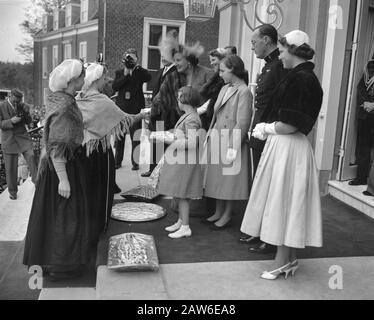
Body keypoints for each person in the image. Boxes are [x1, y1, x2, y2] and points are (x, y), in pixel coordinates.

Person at [241, 30, 324, 280]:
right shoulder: (300, 76)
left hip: (289, 146)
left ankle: (281, 262)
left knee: (283, 203)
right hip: (287, 147)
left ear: (294, 52)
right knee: (285, 202)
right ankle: (288, 259)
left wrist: (265, 128)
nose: (281, 56)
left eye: (284, 51)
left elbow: (291, 124)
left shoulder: (301, 79)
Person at [23, 59, 89, 280]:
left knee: (55, 216)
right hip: (62, 168)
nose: (83, 79)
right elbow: (58, 145)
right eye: (81, 77)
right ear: (72, 81)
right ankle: (60, 264)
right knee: (63, 217)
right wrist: (64, 179)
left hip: (59, 167)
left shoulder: (61, 99)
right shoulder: (65, 106)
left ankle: (55, 261)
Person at [76, 63, 146, 252]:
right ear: (97, 80)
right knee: (103, 189)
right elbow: (126, 119)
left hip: (82, 152)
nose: (107, 81)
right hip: (100, 152)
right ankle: (100, 227)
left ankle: (86, 228)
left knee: (86, 191)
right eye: (105, 78)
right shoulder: (103, 101)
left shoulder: (77, 99)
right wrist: (142, 114)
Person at [240, 24, 288, 254]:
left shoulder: (279, 66)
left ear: (267, 40)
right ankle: (258, 230)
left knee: (268, 186)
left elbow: (277, 104)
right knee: (259, 184)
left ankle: (269, 238)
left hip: (268, 135)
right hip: (259, 132)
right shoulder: (270, 65)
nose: (252, 47)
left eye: (254, 42)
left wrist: (266, 130)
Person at [203, 55, 252, 229]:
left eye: (223, 70)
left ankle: (227, 214)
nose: (220, 74)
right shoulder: (225, 88)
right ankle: (218, 211)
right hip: (218, 137)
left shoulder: (244, 91)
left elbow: (243, 122)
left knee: (229, 180)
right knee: (217, 179)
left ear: (233, 70)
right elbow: (215, 116)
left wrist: (234, 146)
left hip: (231, 140)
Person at [155, 86, 203, 239]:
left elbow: (191, 142)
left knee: (182, 194)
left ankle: (185, 227)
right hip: (181, 160)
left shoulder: (192, 118)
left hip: (185, 162)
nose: (177, 100)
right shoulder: (188, 115)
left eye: (179, 97)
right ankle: (181, 221)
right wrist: (167, 134)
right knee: (178, 192)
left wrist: (168, 139)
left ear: (186, 100)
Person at [142, 35, 179, 178]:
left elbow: (173, 96)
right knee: (155, 142)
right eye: (162, 56)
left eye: (166, 56)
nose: (162, 58)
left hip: (168, 114)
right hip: (156, 113)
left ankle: (162, 172)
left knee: (165, 143)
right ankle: (152, 169)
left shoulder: (175, 73)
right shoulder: (159, 71)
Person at [112, 48, 151, 170]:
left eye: (132, 57)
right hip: (122, 109)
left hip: (135, 108)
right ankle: (117, 162)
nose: (129, 60)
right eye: (128, 57)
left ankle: (135, 163)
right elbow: (115, 87)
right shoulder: (120, 72)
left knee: (136, 136)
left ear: (137, 59)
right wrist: (125, 74)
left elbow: (148, 77)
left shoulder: (139, 72)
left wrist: (136, 67)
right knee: (120, 137)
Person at [0, 89, 37, 199]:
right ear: (10, 96)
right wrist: (11, 121)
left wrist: (27, 112)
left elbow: (28, 121)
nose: (17, 103)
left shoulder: (22, 105)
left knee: (31, 156)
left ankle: (38, 183)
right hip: (9, 139)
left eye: (19, 101)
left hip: (22, 137)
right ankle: (13, 192)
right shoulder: (1, 106)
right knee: (10, 167)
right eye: (15, 101)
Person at [349, 56, 374, 186]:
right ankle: (363, 178)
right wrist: (366, 104)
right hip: (366, 115)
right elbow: (361, 89)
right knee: (363, 148)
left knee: (364, 148)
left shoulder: (368, 68)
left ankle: (367, 182)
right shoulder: (369, 67)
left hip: (366, 113)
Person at [199, 48, 226, 130]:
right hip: (208, 117)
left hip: (217, 119)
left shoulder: (223, 79)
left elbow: (214, 98)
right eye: (210, 60)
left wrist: (197, 111)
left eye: (213, 60)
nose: (211, 63)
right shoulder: (216, 77)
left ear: (222, 59)